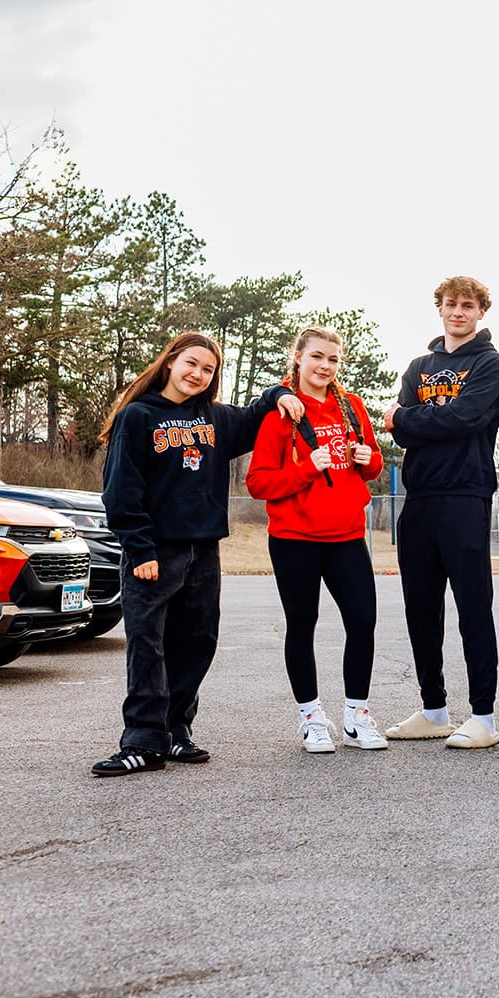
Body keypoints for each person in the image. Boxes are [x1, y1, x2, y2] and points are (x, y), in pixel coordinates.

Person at [92, 332, 303, 776]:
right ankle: (143, 741)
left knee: (197, 643)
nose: (198, 374)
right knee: (149, 646)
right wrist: (140, 547)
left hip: (204, 550)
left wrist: (282, 392)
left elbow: (259, 410)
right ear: (170, 362)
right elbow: (122, 491)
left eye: (208, 369)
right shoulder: (138, 415)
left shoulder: (217, 418)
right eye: (191, 363)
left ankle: (175, 732)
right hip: (154, 553)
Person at [382, 276, 499, 749]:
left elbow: (468, 418)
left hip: (465, 496)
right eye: (451, 304)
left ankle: (484, 717)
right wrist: (414, 424)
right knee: (421, 609)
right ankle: (434, 709)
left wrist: (408, 418)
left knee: (473, 608)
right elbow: (403, 435)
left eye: (468, 306)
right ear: (440, 309)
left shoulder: (491, 364)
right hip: (420, 501)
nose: (458, 312)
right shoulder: (419, 366)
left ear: (480, 313)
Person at [246, 326, 385, 754]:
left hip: (346, 536)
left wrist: (369, 460)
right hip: (295, 538)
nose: (325, 366)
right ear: (299, 359)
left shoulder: (352, 407)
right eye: (317, 358)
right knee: (302, 626)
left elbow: (373, 464)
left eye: (333, 360)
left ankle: (356, 716)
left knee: (363, 621)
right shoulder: (281, 412)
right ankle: (311, 717)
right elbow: (257, 483)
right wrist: (308, 466)